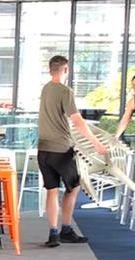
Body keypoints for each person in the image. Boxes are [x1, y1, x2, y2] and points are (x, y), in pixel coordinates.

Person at [37, 55, 107, 247]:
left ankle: (53, 233)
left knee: (52, 190)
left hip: (43, 149)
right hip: (61, 149)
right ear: (66, 69)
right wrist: (96, 143)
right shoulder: (65, 91)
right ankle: (66, 229)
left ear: (51, 69)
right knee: (73, 186)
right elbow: (77, 120)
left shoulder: (46, 89)